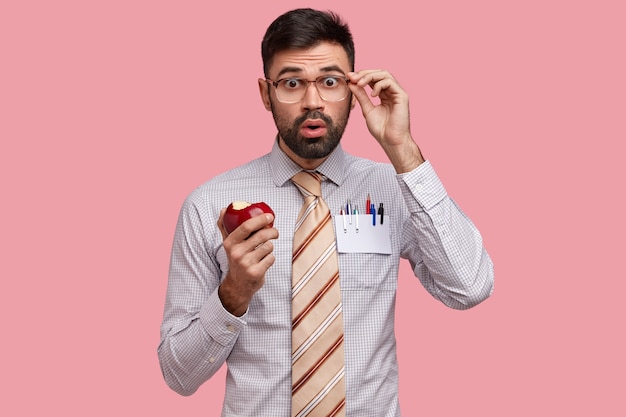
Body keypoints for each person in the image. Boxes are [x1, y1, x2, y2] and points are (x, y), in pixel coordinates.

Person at [158, 7, 494, 416]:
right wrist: (233, 294)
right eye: (292, 82)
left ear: (354, 91)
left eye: (331, 82)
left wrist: (403, 150)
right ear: (266, 94)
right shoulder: (208, 204)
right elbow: (178, 374)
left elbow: (470, 287)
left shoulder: (393, 188)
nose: (312, 101)